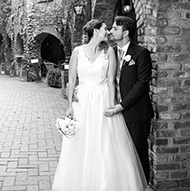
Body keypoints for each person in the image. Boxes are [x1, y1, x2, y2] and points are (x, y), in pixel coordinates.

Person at [52, 19, 147, 191]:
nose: (108, 31)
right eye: (105, 28)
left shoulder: (109, 51)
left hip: (102, 99)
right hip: (83, 101)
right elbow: (72, 80)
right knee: (84, 142)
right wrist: (69, 105)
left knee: (105, 143)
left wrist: (111, 105)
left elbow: (111, 81)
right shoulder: (77, 52)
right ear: (95, 31)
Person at [105, 15, 154, 183]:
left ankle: (142, 185)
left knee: (137, 153)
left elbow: (142, 84)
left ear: (125, 32)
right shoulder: (110, 52)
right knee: (120, 154)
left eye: (115, 28)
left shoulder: (141, 53)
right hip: (115, 111)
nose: (111, 31)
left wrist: (122, 106)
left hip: (136, 113)